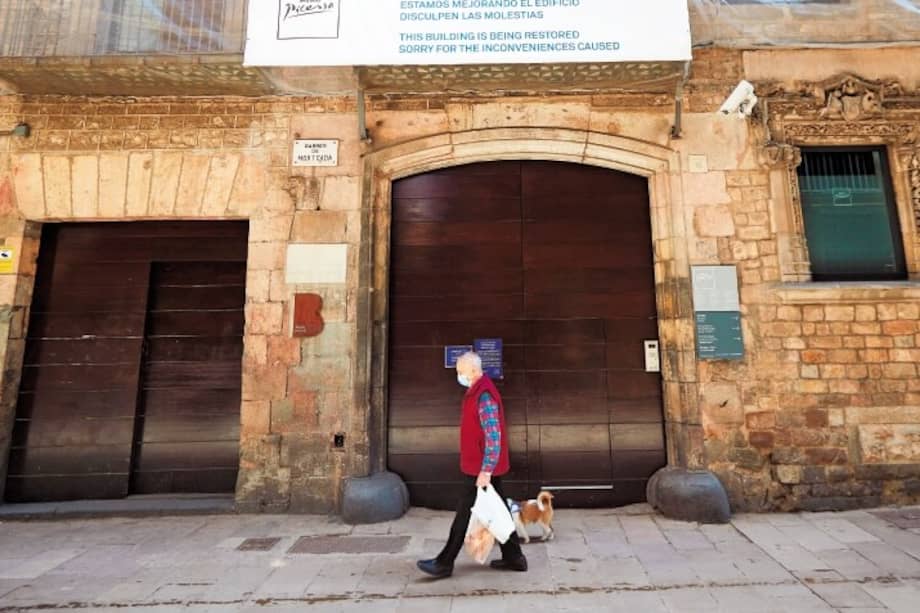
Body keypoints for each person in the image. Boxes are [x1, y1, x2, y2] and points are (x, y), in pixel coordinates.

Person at [416, 351, 528, 578]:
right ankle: (514, 557)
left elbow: (493, 436)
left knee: (464, 512)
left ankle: (444, 563)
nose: (458, 376)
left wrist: (486, 470)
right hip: (480, 465)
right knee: (501, 511)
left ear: (475, 371)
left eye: (461, 372)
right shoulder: (475, 392)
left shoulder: (484, 395)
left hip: (481, 468)